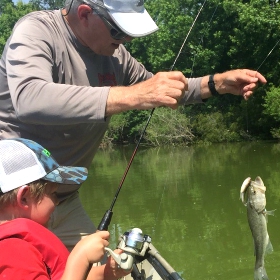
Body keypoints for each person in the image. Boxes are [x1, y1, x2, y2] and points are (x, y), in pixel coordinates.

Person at [0, 0, 267, 250]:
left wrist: (216, 83)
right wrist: (135, 95)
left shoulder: (116, 56)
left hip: (64, 199)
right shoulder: (36, 31)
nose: (126, 39)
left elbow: (160, 89)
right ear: (84, 14)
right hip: (12, 204)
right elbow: (29, 97)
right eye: (118, 30)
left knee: (99, 273)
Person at [0, 138, 129, 280]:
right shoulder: (13, 251)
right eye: (53, 193)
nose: (57, 201)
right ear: (24, 198)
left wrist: (107, 272)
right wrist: (81, 257)